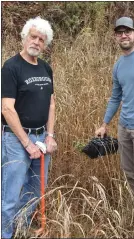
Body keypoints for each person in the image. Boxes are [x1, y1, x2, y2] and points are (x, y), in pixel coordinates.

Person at [95, 17, 134, 234]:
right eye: (119, 32)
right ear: (115, 36)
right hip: (125, 127)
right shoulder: (118, 65)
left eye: (128, 31)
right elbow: (115, 97)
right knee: (130, 175)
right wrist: (105, 124)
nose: (124, 35)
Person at [2, 16, 57, 239]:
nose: (36, 42)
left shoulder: (45, 68)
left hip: (41, 136)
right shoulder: (11, 67)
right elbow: (6, 109)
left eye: (41, 39)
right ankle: (4, 233)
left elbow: (51, 103)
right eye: (33, 37)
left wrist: (50, 135)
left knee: (35, 190)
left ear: (45, 44)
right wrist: (26, 143)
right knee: (11, 193)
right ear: (25, 38)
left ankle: (20, 228)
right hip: (16, 139)